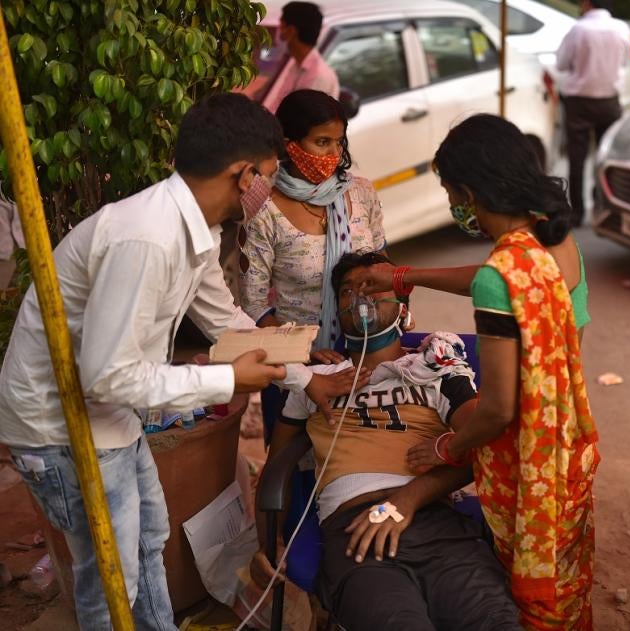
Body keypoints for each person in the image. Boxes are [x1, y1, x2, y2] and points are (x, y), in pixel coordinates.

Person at [0, 93, 359, 630]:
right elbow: (108, 376)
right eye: (268, 175)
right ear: (244, 175)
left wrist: (307, 377)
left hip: (108, 418)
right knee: (109, 581)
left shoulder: (194, 230)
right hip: (62, 428)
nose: (270, 190)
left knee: (149, 542)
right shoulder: (147, 239)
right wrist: (227, 379)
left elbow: (226, 321)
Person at [251, 251, 522, 631]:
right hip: (356, 536)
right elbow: (276, 467)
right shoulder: (315, 380)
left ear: (402, 301)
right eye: (347, 291)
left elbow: (486, 442)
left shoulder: (434, 366)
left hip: (435, 525)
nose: (360, 298)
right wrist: (267, 545)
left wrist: (406, 499)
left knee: (494, 622)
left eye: (372, 287)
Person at [399, 115, 599, 630]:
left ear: (469, 191)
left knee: (531, 606)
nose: (455, 208)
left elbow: (497, 409)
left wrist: (446, 448)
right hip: (566, 453)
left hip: (528, 471)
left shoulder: (499, 275)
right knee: (565, 593)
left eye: (451, 194)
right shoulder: (544, 247)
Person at [240, 89, 385, 439]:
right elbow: (254, 305)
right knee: (296, 473)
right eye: (322, 142)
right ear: (290, 144)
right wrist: (304, 353)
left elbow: (384, 273)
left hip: (365, 359)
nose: (333, 155)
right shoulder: (264, 210)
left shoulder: (361, 195)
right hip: (294, 368)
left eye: (339, 142)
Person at [555, 0, 630, 226]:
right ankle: (603, 206)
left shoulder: (578, 29)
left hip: (579, 101)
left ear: (587, 4)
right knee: (605, 156)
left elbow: (561, 64)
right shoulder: (622, 29)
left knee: (577, 158)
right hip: (609, 100)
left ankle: (577, 213)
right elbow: (624, 62)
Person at [262, 2, 340, 112]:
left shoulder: (318, 75)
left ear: (291, 31)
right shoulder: (294, 64)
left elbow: (299, 122)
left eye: (281, 25)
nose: (279, 31)